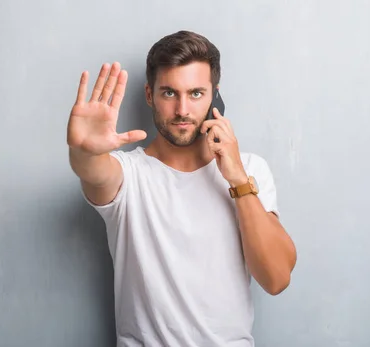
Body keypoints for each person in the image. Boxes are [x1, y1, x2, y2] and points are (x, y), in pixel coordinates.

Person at [66, 30, 297, 347]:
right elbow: (94, 172)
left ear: (215, 95)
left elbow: (276, 278)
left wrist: (238, 180)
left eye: (196, 93)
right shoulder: (129, 174)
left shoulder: (250, 169)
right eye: (169, 93)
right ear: (150, 95)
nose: (183, 110)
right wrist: (84, 151)